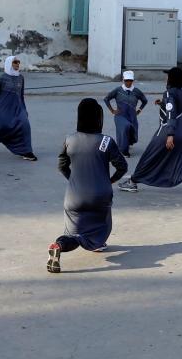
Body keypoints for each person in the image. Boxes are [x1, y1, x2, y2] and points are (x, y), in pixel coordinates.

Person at [47, 99, 129, 274]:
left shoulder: (70, 139)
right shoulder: (106, 141)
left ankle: (59, 245)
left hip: (74, 197)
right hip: (101, 195)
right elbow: (122, 167)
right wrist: (111, 180)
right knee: (100, 225)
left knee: (73, 235)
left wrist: (74, 180)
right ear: (99, 118)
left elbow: (61, 165)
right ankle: (97, 243)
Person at [117, 67, 182, 199]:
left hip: (167, 134)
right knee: (177, 165)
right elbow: (176, 110)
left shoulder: (168, 93)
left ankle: (132, 182)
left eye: (168, 76)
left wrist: (170, 135)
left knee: (148, 158)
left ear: (171, 79)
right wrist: (163, 104)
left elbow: (171, 113)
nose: (166, 78)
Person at [0, 56, 36, 160]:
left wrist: (24, 110)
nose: (17, 64)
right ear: (9, 64)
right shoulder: (1, 78)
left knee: (25, 126)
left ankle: (27, 151)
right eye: (15, 62)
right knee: (4, 130)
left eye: (18, 62)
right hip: (4, 109)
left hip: (18, 108)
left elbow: (21, 96)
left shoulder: (21, 78)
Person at [103, 70, 148, 158]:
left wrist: (139, 110)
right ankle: (124, 151)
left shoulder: (136, 91)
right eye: (127, 80)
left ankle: (127, 143)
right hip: (120, 116)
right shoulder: (118, 90)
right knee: (125, 127)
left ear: (133, 80)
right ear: (123, 80)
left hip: (132, 117)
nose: (128, 82)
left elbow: (144, 101)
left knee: (132, 133)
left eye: (130, 80)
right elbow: (106, 99)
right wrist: (112, 110)